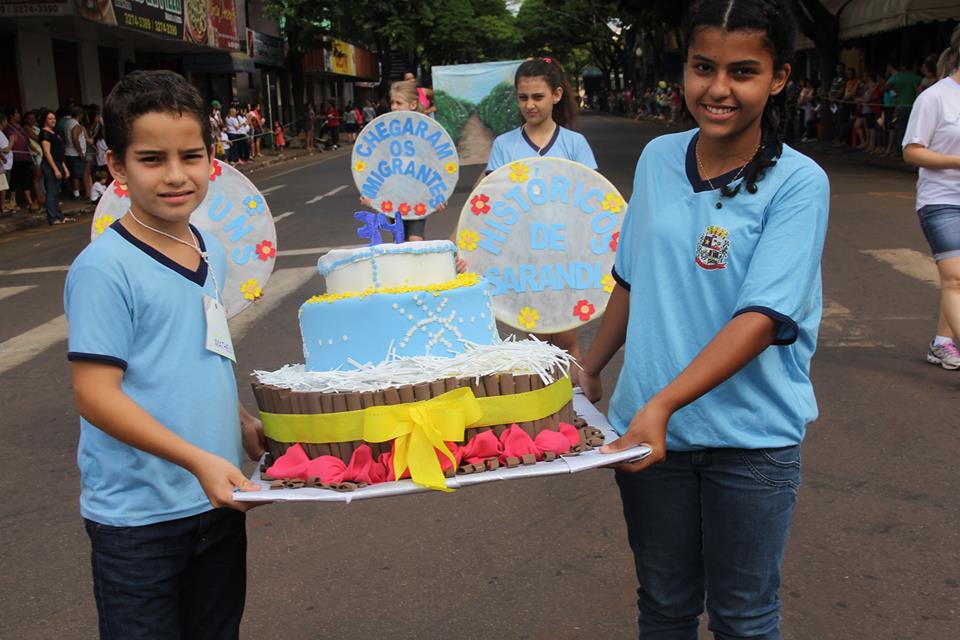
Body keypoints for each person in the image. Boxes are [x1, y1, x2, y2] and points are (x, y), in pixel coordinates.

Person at [579, 1, 829, 637]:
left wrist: (663, 405)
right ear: (683, 70)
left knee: (744, 617)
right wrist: (590, 367)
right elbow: (633, 280)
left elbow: (761, 318)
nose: (718, 89)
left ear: (778, 79)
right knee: (663, 604)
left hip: (751, 438)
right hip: (646, 432)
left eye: (743, 71)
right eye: (702, 67)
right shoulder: (660, 159)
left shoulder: (800, 184)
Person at [64, 70, 265, 638]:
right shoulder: (104, 269)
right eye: (152, 159)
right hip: (138, 523)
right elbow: (95, 395)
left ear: (211, 158)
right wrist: (198, 460)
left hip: (218, 504)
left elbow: (199, 352)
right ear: (115, 167)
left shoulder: (210, 250)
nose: (177, 176)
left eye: (191, 156)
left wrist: (240, 421)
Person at [484, 57, 597, 370]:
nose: (530, 105)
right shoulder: (504, 145)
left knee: (565, 335)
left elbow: (594, 200)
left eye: (538, 97)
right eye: (523, 98)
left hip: (564, 257)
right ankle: (546, 409)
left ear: (556, 95)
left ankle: (577, 405)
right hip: (524, 258)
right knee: (534, 339)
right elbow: (486, 201)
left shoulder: (575, 144)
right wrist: (460, 244)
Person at [902, 24, 960, 370]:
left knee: (956, 279)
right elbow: (911, 151)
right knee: (955, 277)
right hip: (941, 201)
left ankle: (941, 343)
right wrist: (956, 162)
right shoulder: (935, 97)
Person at [4, 107, 39, 212]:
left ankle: (29, 202)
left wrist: (33, 150)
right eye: (17, 113)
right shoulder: (8, 129)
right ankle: (13, 201)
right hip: (15, 158)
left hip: (26, 157)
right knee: (14, 180)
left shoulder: (21, 128)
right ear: (11, 116)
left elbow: (27, 141)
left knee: (26, 179)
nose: (19, 115)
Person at [39, 109, 69, 224]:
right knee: (51, 191)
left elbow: (58, 152)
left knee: (56, 191)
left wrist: (64, 168)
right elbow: (47, 153)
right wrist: (55, 169)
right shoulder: (44, 133)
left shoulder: (54, 133)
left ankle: (59, 216)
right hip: (50, 165)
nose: (53, 120)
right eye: (50, 119)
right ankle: (52, 217)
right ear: (45, 121)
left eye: (54, 118)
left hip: (58, 162)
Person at [886, 61, 923, 153]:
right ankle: (910, 150)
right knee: (912, 130)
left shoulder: (898, 77)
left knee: (900, 129)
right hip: (912, 106)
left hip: (900, 105)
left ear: (903, 67)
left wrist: (894, 94)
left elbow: (887, 86)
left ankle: (900, 151)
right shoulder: (917, 78)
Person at [63, 106, 87, 199]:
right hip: (75, 153)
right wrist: (80, 152)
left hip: (68, 151)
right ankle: (76, 193)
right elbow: (75, 138)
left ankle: (73, 191)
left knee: (72, 173)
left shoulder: (67, 123)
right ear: (80, 114)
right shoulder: (76, 125)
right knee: (76, 174)